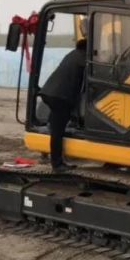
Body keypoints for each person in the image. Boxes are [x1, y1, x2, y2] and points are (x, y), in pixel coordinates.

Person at [39, 37, 87, 169]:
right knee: (58, 131)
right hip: (60, 96)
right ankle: (57, 163)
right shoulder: (83, 58)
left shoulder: (72, 55)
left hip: (50, 92)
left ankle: (55, 157)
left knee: (56, 126)